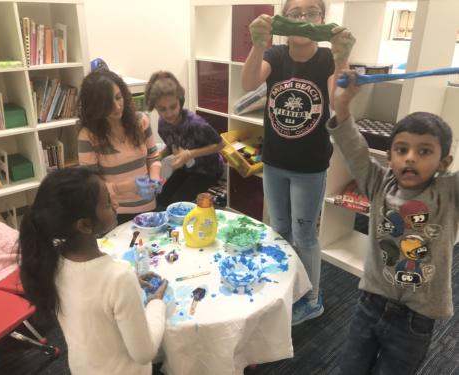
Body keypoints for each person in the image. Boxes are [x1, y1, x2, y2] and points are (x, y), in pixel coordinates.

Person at [329, 71, 458, 374]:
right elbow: (352, 146)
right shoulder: (379, 182)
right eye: (402, 150)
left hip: (416, 318)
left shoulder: (448, 193)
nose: (410, 158)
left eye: (424, 151)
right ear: (389, 157)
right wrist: (344, 105)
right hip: (370, 304)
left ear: (444, 162)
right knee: (349, 368)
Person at [241, 0, 355, 325]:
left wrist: (343, 57)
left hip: (310, 166)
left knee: (305, 236)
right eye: (295, 13)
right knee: (280, 230)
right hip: (274, 161)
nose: (303, 19)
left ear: (322, 19)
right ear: (284, 19)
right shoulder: (274, 56)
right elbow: (248, 83)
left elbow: (336, 101)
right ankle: (288, 287)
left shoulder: (327, 59)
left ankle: (313, 298)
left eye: (312, 13)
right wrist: (257, 44)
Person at [18, 167, 168, 375]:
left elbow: (92, 296)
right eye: (108, 202)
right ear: (85, 225)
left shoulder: (53, 260)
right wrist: (156, 304)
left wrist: (128, 285)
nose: (116, 204)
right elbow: (144, 353)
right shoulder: (118, 278)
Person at [78, 70, 162, 224]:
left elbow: (153, 157)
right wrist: (125, 187)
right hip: (115, 212)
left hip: (148, 205)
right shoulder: (88, 136)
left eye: (119, 97)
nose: (117, 107)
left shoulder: (141, 121)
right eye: (108, 104)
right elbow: (90, 186)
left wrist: (155, 178)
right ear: (96, 106)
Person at [145, 71, 224, 209]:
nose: (168, 114)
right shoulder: (163, 124)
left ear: (180, 101)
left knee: (176, 204)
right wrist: (160, 156)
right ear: (155, 108)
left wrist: (189, 154)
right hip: (188, 168)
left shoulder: (196, 124)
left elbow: (220, 144)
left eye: (173, 107)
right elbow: (172, 144)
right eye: (162, 109)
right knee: (160, 199)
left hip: (209, 170)